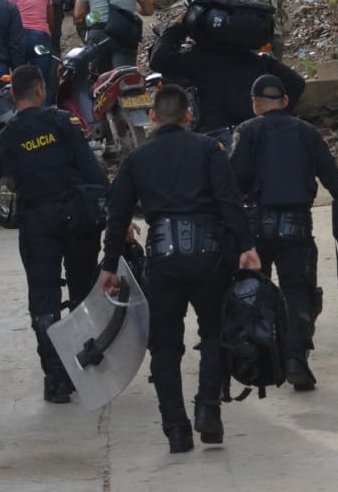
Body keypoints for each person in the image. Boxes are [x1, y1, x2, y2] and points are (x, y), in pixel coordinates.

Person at [98, 85, 260, 452]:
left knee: (165, 345)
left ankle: (176, 430)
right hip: (209, 257)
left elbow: (118, 215)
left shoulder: (137, 160)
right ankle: (208, 410)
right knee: (215, 333)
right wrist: (246, 246)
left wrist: (110, 266)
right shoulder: (208, 149)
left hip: (162, 260)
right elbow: (229, 201)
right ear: (189, 116)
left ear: (152, 117)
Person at [0, 65, 109, 403]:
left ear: (14, 94)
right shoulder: (63, 124)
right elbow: (92, 170)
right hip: (78, 221)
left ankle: (55, 378)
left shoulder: (7, 137)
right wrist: (115, 216)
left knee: (44, 301)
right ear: (39, 88)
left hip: (38, 225)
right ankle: (83, 364)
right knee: (83, 292)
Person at [230, 74, 338, 392]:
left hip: (256, 227)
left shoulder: (247, 132)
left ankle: (258, 359)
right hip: (296, 228)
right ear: (286, 102)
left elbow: (234, 183)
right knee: (298, 293)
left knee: (252, 292)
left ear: (255, 104)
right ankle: (296, 361)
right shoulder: (307, 133)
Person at [149, 2, 306, 154]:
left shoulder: (198, 59)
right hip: (256, 135)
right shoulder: (256, 60)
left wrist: (176, 27)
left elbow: (159, 60)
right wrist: (276, 117)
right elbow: (296, 83)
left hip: (217, 139)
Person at [2, 0, 56, 104]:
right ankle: (45, 116)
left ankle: (21, 115)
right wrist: (47, 34)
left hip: (17, 39)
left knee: (20, 82)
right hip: (39, 38)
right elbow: (50, 18)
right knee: (43, 82)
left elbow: (4, 20)